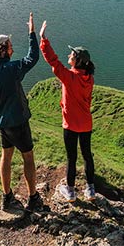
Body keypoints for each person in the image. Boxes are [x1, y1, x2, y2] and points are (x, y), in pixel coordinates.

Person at [0, 12, 47, 212]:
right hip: (17, 122)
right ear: (2, 50)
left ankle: (7, 197)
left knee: (6, 156)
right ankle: (33, 198)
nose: (12, 48)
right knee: (28, 157)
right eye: (10, 46)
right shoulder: (11, 69)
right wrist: (32, 32)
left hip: (2, 123)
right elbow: (32, 58)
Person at [39, 20, 96, 201]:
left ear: (77, 61)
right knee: (87, 155)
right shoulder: (89, 78)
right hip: (86, 123)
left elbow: (53, 61)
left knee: (71, 158)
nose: (69, 55)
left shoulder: (70, 77)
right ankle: (90, 190)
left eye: (72, 55)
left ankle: (70, 192)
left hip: (71, 123)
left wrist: (43, 39)